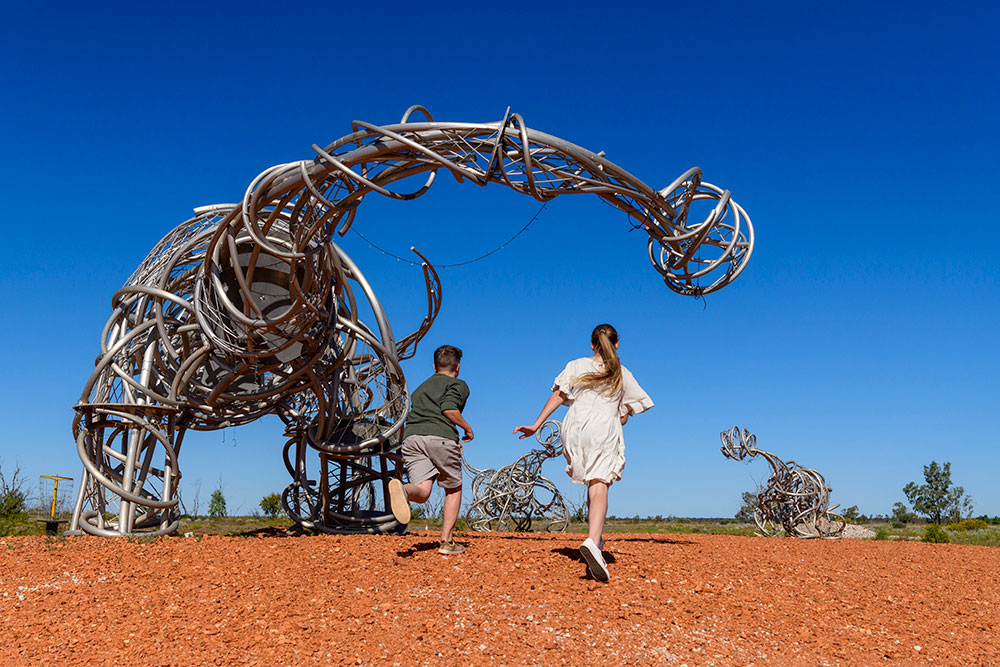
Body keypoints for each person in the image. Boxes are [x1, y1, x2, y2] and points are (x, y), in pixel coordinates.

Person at [513, 324, 652, 582]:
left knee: (592, 482)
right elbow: (623, 417)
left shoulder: (576, 365)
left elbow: (559, 395)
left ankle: (596, 540)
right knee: (600, 483)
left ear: (592, 344)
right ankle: (592, 541)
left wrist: (536, 425)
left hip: (574, 427)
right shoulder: (621, 373)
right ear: (617, 344)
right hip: (602, 428)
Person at [388, 344, 473, 555]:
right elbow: (449, 408)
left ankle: (404, 490)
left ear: (434, 366)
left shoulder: (421, 388)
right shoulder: (458, 384)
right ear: (458, 367)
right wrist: (467, 428)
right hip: (440, 437)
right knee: (453, 488)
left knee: (423, 491)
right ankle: (446, 542)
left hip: (412, 439)